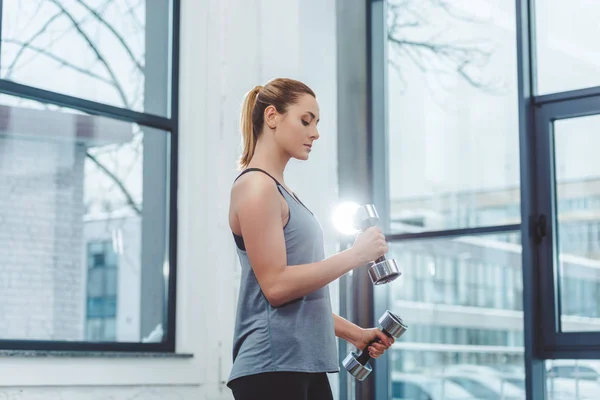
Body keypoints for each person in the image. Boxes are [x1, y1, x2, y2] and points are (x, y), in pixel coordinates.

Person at [227, 78, 394, 400]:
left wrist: (355, 334)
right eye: (306, 120)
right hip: (272, 366)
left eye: (316, 123)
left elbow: (298, 297)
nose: (315, 132)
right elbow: (275, 287)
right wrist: (355, 256)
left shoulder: (282, 192)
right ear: (272, 117)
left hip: (301, 363)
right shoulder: (256, 187)